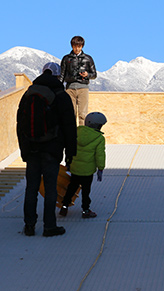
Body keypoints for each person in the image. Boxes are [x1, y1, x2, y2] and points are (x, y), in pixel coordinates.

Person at [17, 62, 77, 237]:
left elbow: (20, 124)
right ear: (58, 76)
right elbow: (69, 127)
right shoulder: (61, 95)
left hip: (31, 148)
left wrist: (24, 149)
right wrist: (70, 154)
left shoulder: (28, 94)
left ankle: (29, 226)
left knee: (31, 188)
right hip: (51, 148)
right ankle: (49, 226)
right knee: (50, 188)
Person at [59, 112, 107, 218]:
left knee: (71, 188)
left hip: (75, 169)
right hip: (88, 171)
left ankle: (64, 206)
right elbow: (100, 155)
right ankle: (85, 210)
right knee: (86, 191)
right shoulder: (99, 138)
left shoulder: (76, 132)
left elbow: (69, 148)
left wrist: (68, 162)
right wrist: (100, 168)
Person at [60, 36, 97, 126]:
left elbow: (94, 75)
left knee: (83, 115)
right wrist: (59, 88)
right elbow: (62, 75)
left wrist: (87, 75)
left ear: (82, 46)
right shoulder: (66, 58)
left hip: (83, 88)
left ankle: (81, 136)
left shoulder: (88, 59)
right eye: (75, 46)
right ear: (72, 46)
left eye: (79, 46)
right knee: (70, 114)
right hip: (69, 89)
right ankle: (71, 136)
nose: (77, 48)